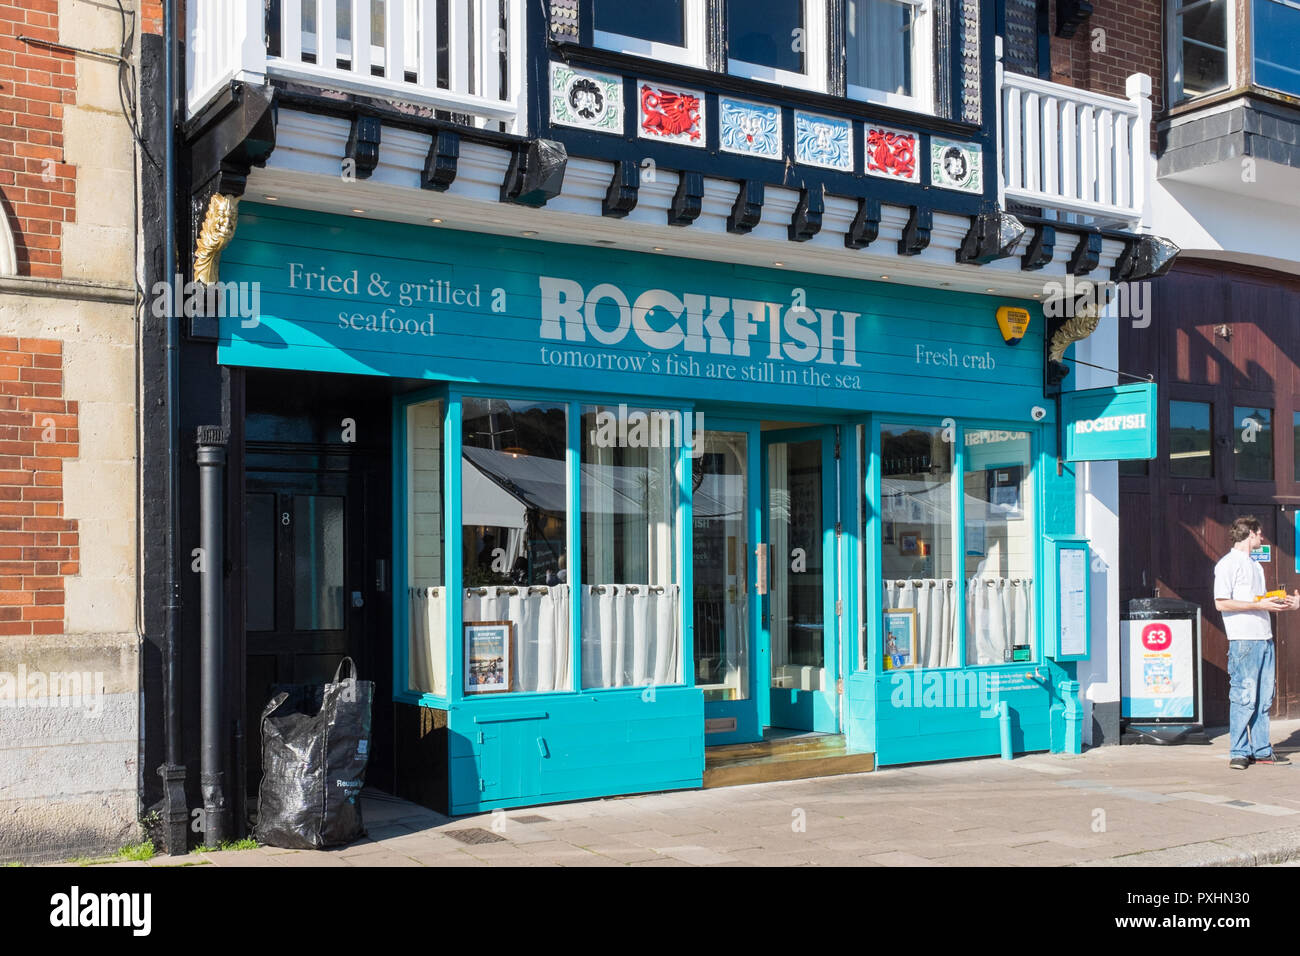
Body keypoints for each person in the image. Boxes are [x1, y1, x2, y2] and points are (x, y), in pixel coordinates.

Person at [1213, 515, 1300, 769]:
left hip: (1264, 638)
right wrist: (1257, 604)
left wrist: (1280, 605)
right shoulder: (1227, 564)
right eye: (1260, 534)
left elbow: (1257, 601)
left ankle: (1261, 749)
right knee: (1244, 696)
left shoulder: (1255, 566)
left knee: (1264, 698)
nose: (1262, 539)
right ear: (1250, 533)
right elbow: (1221, 603)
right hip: (1244, 640)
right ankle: (1239, 751)